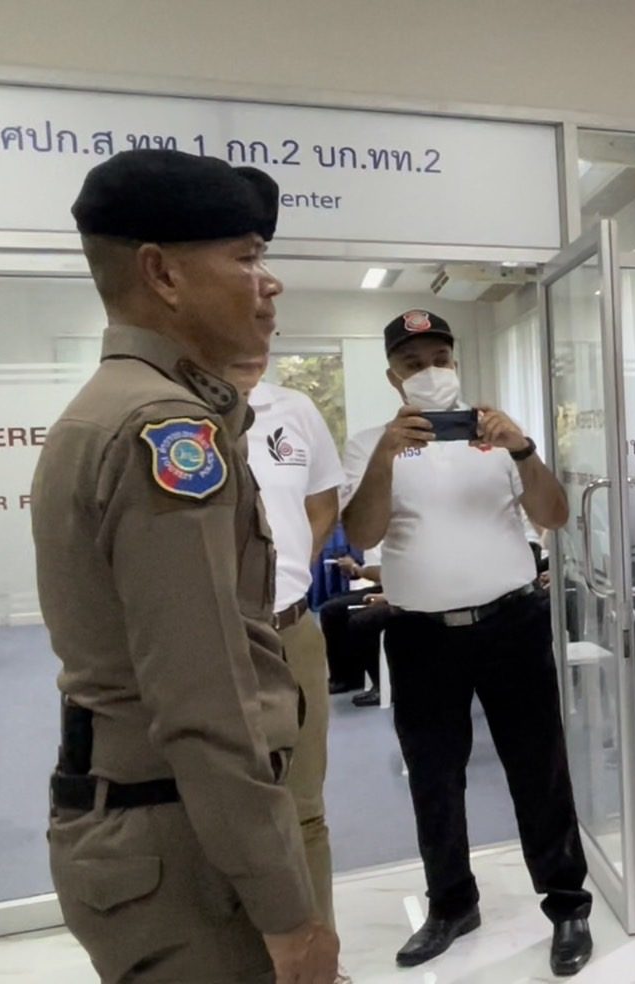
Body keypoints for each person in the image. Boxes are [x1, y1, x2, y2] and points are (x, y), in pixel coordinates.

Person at [33, 149, 339, 983]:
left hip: (159, 825)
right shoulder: (163, 429)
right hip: (186, 851)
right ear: (162, 274)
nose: (269, 282)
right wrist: (290, 915)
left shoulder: (120, 408)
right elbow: (206, 701)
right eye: (245, 257)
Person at [339, 310, 592, 976]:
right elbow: (361, 533)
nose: (430, 372)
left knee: (538, 768)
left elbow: (554, 514)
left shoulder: (498, 436)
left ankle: (567, 904)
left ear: (455, 361)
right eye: (413, 363)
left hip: (512, 624)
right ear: (393, 376)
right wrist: (386, 456)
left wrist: (523, 449)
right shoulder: (369, 444)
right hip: (422, 635)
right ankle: (452, 904)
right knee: (433, 775)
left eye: (440, 359)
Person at [222, 361, 346, 932]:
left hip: (292, 631)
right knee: (218, 805)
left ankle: (319, 953)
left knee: (303, 807)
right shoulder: (172, 408)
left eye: (267, 326)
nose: (257, 339)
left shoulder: (293, 410)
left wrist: (286, 568)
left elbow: (323, 503)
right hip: (212, 641)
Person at [321, 551, 388, 706]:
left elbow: (386, 574)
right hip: (389, 588)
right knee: (331, 609)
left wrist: (357, 569)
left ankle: (383, 686)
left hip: (403, 594)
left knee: (361, 621)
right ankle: (346, 677)